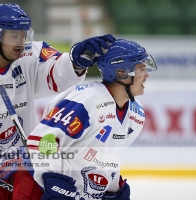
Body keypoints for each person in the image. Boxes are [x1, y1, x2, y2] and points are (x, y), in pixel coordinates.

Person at [0, 2, 116, 200]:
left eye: (23, 34)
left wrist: (76, 61)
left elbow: (58, 72)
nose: (20, 41)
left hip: (20, 167)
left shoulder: (29, 55)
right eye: (14, 35)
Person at [27, 38, 157, 200]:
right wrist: (55, 185)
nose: (146, 75)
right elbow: (42, 141)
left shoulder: (136, 114)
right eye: (141, 69)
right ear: (121, 73)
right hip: (43, 192)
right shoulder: (88, 100)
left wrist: (113, 189)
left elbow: (104, 159)